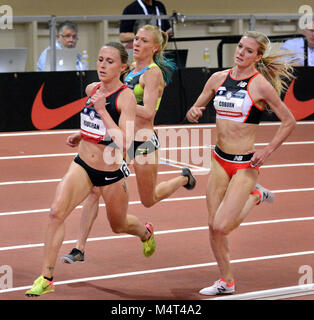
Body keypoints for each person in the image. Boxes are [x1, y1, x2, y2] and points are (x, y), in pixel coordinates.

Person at [25, 42, 156, 296]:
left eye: (109, 61)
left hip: (110, 174)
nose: (102, 65)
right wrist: (80, 134)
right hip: (82, 165)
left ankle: (145, 233)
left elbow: (124, 141)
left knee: (118, 225)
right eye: (100, 60)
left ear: (123, 67)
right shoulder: (92, 88)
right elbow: (94, 122)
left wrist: (101, 110)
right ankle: (46, 278)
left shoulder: (125, 98)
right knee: (55, 213)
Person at [61, 24, 196, 264]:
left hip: (142, 142)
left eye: (143, 41)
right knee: (94, 189)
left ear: (154, 48)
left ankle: (184, 178)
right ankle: (79, 248)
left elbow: (149, 112)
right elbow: (114, 105)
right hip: (120, 140)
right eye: (136, 39)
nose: (136, 43)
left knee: (149, 199)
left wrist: (124, 102)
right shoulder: (131, 70)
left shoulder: (152, 73)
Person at [186, 31, 296, 295]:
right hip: (219, 161)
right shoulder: (217, 78)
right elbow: (196, 108)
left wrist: (268, 151)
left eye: (248, 50)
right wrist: (194, 111)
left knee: (223, 225)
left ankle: (255, 195)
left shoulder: (260, 86)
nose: (241, 52)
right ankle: (227, 281)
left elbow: (289, 121)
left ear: (258, 57)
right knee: (214, 228)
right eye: (240, 47)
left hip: (245, 164)